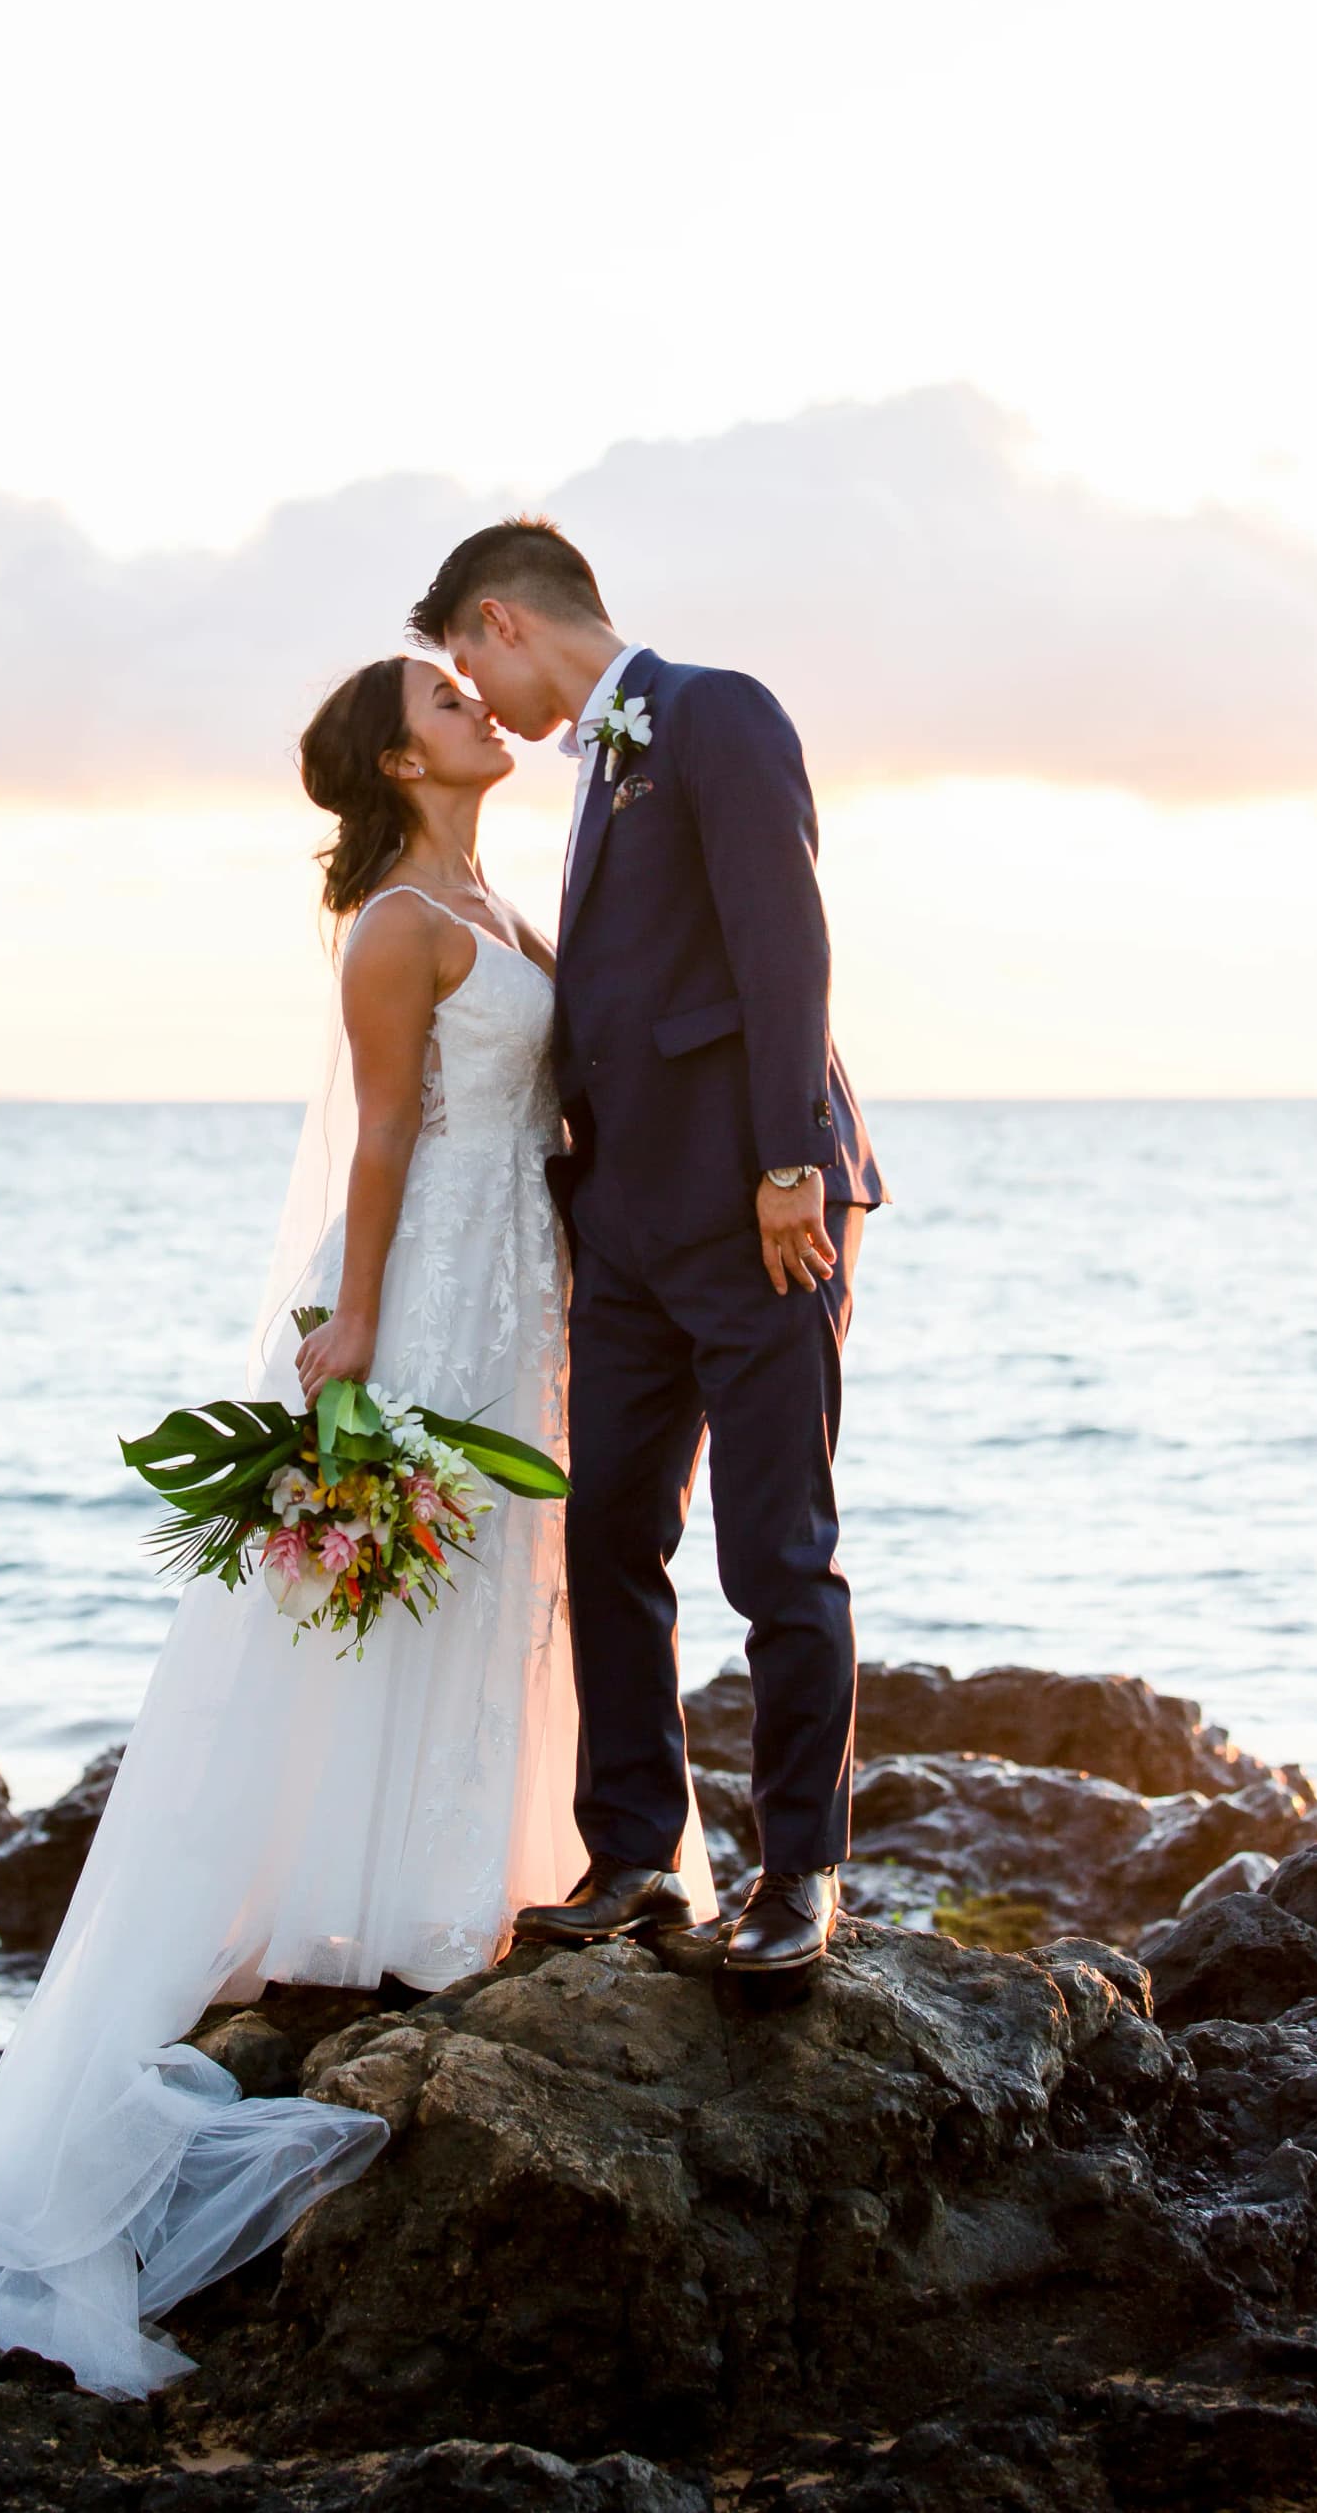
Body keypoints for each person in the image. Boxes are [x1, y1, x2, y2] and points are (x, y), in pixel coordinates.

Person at [0, 647, 715, 2400]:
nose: (485, 708)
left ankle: (477, 1878)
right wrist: (361, 1331)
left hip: (523, 1285)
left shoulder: (486, 887)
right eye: (450, 702)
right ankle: (391, 1906)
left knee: (504, 1576)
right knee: (410, 1580)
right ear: (398, 762)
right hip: (433, 1290)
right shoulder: (399, 922)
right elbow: (384, 1140)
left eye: (481, 690)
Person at [408, 518, 885, 1980]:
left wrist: (793, 1160)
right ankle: (634, 1858)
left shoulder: (713, 712)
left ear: (502, 620)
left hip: (762, 1213)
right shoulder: (598, 773)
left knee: (778, 1550)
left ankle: (801, 1874)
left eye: (465, 670)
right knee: (608, 1529)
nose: (481, 705)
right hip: (621, 1231)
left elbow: (781, 935)